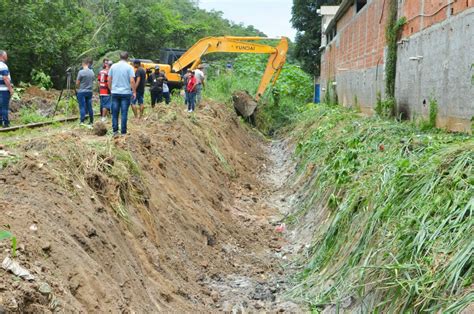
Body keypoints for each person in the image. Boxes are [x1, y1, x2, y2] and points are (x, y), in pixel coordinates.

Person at [108, 51, 136, 136]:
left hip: (115, 92)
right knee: (124, 113)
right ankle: (123, 132)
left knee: (115, 113)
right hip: (126, 93)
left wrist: (111, 89)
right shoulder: (129, 67)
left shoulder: (113, 66)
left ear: (119, 57)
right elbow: (132, 80)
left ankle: (115, 131)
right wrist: (134, 91)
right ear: (127, 58)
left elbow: (109, 79)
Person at [76, 58, 95, 125]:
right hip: (89, 91)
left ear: (84, 63)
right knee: (89, 106)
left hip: (82, 91)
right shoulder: (92, 72)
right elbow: (92, 80)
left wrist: (78, 88)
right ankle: (91, 120)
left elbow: (77, 83)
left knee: (82, 106)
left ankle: (82, 121)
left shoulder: (81, 72)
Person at [0, 50, 13, 128]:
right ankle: (5, 123)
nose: (7, 57)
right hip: (3, 90)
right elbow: (5, 78)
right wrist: (10, 89)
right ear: (2, 56)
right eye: (6, 55)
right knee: (4, 106)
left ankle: (1, 121)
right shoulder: (3, 66)